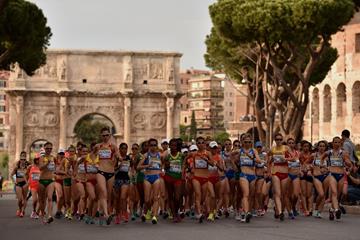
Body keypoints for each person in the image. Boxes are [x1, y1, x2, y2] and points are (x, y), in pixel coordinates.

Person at [94, 127, 120, 225]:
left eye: (107, 135)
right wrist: (94, 164)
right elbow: (91, 156)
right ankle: (106, 215)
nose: (105, 137)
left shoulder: (113, 146)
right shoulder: (97, 146)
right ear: (101, 136)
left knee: (108, 195)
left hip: (111, 172)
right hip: (100, 171)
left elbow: (118, 155)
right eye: (103, 135)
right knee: (103, 193)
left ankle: (102, 211)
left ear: (109, 135)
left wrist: (118, 157)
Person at [138, 138, 163, 224]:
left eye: (154, 145)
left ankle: (154, 216)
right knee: (147, 199)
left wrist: (162, 170)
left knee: (156, 197)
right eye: (151, 145)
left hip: (156, 177)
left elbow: (163, 164)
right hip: (148, 177)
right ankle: (147, 211)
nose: (153, 147)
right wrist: (147, 165)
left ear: (157, 146)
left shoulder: (160, 155)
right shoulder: (146, 155)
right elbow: (138, 167)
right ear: (149, 146)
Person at [11, 151, 30, 217]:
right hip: (18, 183)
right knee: (19, 199)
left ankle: (22, 211)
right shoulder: (17, 166)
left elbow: (32, 174)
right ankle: (19, 208)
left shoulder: (28, 166)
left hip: (25, 183)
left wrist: (28, 182)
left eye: (24, 159)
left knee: (24, 198)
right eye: (21, 159)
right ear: (20, 158)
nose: (23, 160)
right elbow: (12, 175)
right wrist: (14, 181)